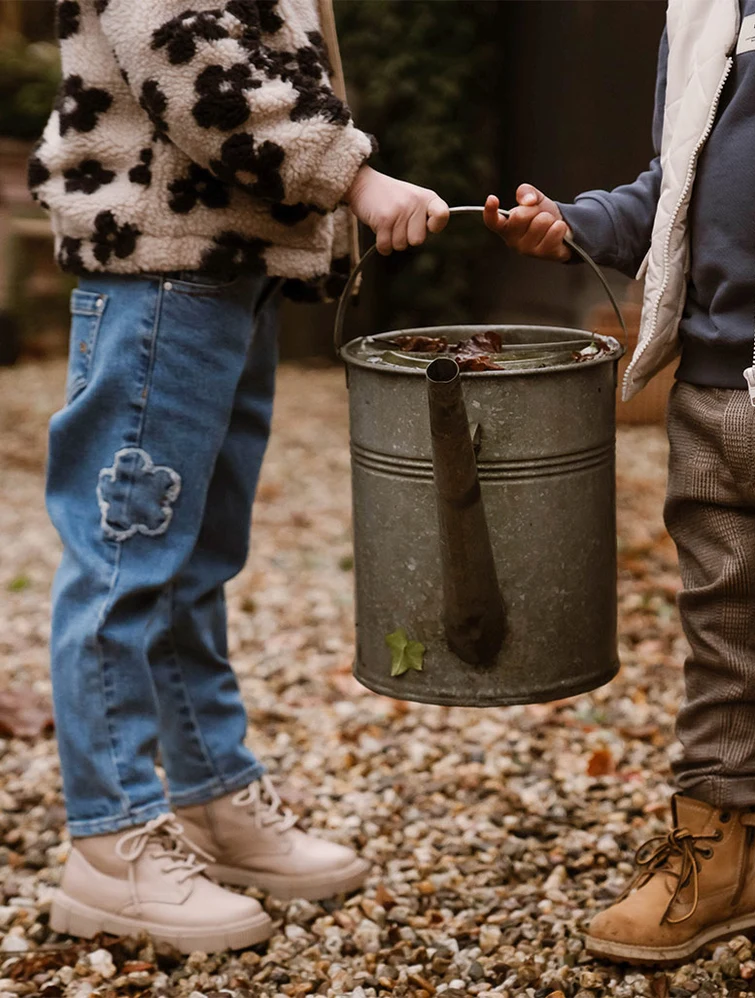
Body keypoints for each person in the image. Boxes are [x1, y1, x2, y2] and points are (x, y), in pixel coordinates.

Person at [28, 0, 449, 954]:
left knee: (194, 554)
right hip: (161, 266)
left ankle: (214, 796)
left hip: (226, 262)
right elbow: (193, 56)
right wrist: (353, 177)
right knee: (123, 562)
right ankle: (112, 840)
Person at [485, 1, 755, 994]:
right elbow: (667, 188)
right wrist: (575, 224)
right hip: (706, 387)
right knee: (719, 633)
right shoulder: (704, 13)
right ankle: (715, 858)